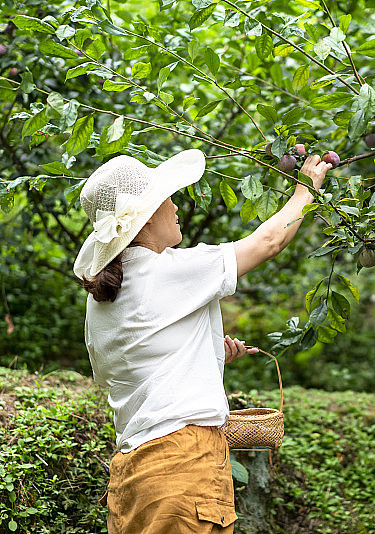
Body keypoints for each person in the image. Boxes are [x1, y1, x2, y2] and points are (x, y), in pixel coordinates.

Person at [72, 148, 332, 533]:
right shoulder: (168, 271)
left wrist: (204, 355)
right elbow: (268, 242)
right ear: (144, 217)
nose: (176, 207)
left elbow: (134, 369)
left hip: (132, 474)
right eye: (168, 198)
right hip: (182, 464)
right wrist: (306, 189)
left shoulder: (101, 301)